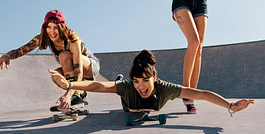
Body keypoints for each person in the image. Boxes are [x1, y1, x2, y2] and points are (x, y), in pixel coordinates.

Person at [49, 50, 253, 116]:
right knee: (118, 86)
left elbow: (200, 93)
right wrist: (70, 86)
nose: (141, 86)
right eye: (137, 81)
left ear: (154, 78)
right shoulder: (129, 87)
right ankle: (122, 77)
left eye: (145, 81)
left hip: (149, 103)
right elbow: (99, 86)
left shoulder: (165, 88)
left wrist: (230, 106)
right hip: (128, 104)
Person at [0, 9, 100, 109]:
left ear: (62, 27)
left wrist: (69, 93)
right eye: (49, 27)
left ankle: (76, 95)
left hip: (89, 67)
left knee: (64, 55)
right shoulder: (43, 38)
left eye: (56, 28)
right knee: (55, 76)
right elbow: (20, 50)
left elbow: (78, 71)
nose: (52, 32)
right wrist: (7, 56)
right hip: (74, 71)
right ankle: (80, 92)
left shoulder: (72, 40)